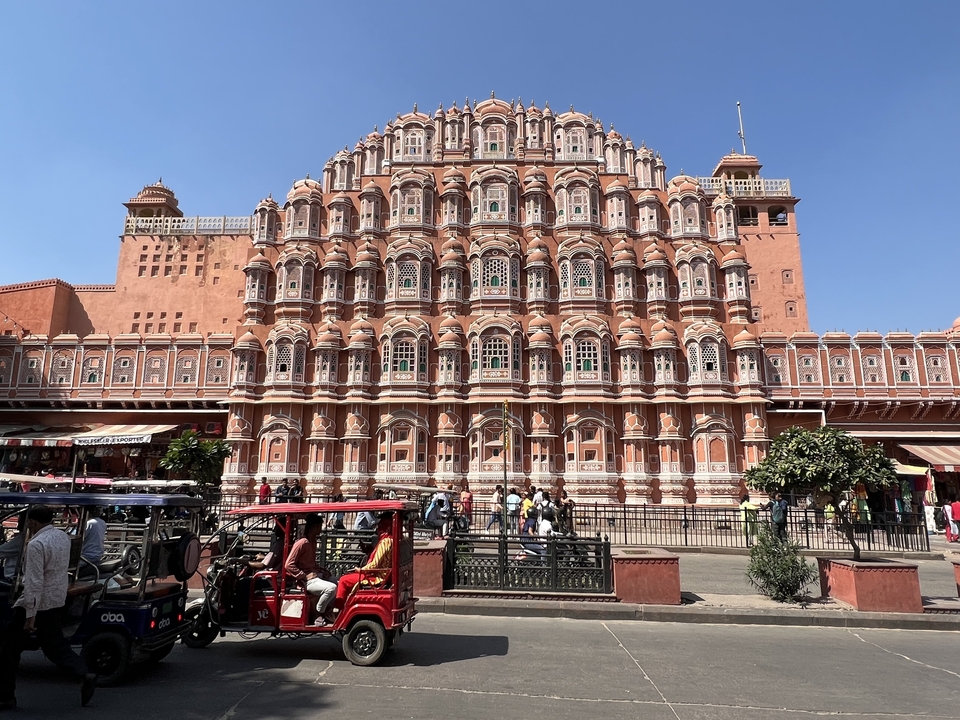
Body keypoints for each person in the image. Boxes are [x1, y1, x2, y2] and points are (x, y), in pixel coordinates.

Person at [0, 507, 96, 709]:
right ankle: (84, 672)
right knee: (54, 645)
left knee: (9, 648)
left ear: (33, 522)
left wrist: (30, 617)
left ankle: (6, 696)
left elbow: (34, 582)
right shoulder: (62, 537)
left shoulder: (36, 544)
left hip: (37, 602)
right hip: (57, 598)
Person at [334, 514, 394, 613]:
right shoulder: (390, 540)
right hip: (381, 574)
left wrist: (361, 570)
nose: (378, 529)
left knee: (343, 580)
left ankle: (338, 610)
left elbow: (374, 564)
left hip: (377, 577)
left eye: (380, 526)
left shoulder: (385, 542)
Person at [283, 514, 336, 625]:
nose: (321, 529)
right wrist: (303, 576)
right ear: (315, 527)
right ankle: (318, 613)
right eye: (319, 527)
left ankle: (327, 609)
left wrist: (322, 570)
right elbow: (288, 564)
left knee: (336, 581)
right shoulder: (302, 543)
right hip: (305, 580)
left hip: (314, 575)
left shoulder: (312, 542)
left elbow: (311, 564)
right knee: (331, 588)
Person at [79, 507, 106, 573]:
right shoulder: (102, 522)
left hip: (86, 556)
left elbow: (79, 536)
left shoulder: (90, 523)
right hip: (98, 554)